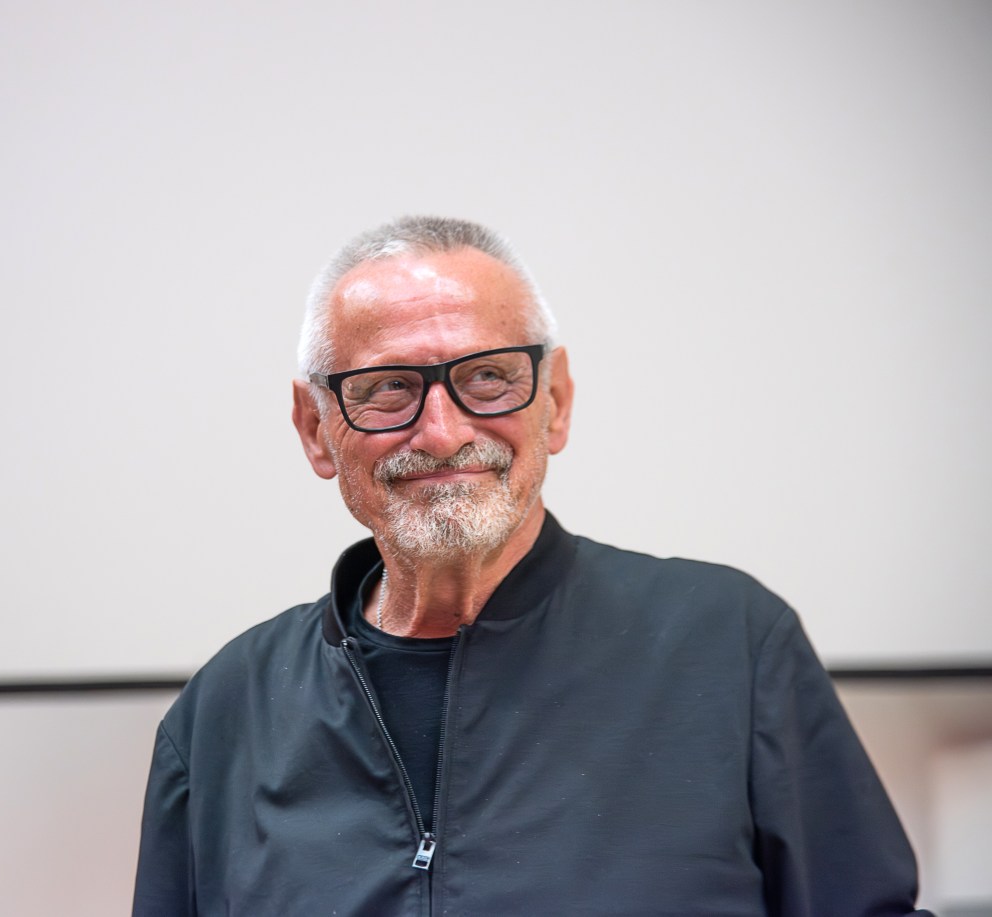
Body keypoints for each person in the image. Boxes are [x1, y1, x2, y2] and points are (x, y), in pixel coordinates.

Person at [134, 216, 933, 916]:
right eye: (387, 388)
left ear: (555, 402)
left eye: (488, 377)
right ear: (316, 429)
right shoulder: (222, 717)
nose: (443, 433)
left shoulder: (729, 648)